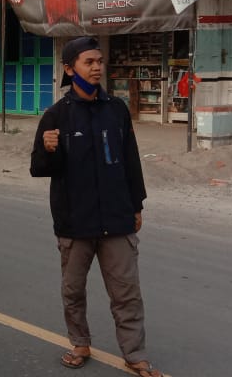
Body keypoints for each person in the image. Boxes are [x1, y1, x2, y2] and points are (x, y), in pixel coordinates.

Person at [29, 37, 162, 377]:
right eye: (89, 62)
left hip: (117, 219)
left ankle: (135, 354)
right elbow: (40, 169)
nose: (98, 67)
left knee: (126, 293)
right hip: (75, 222)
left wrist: (137, 205)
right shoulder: (56, 114)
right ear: (70, 69)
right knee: (73, 291)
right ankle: (80, 342)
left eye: (100, 61)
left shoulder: (116, 110)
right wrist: (48, 148)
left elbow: (131, 160)